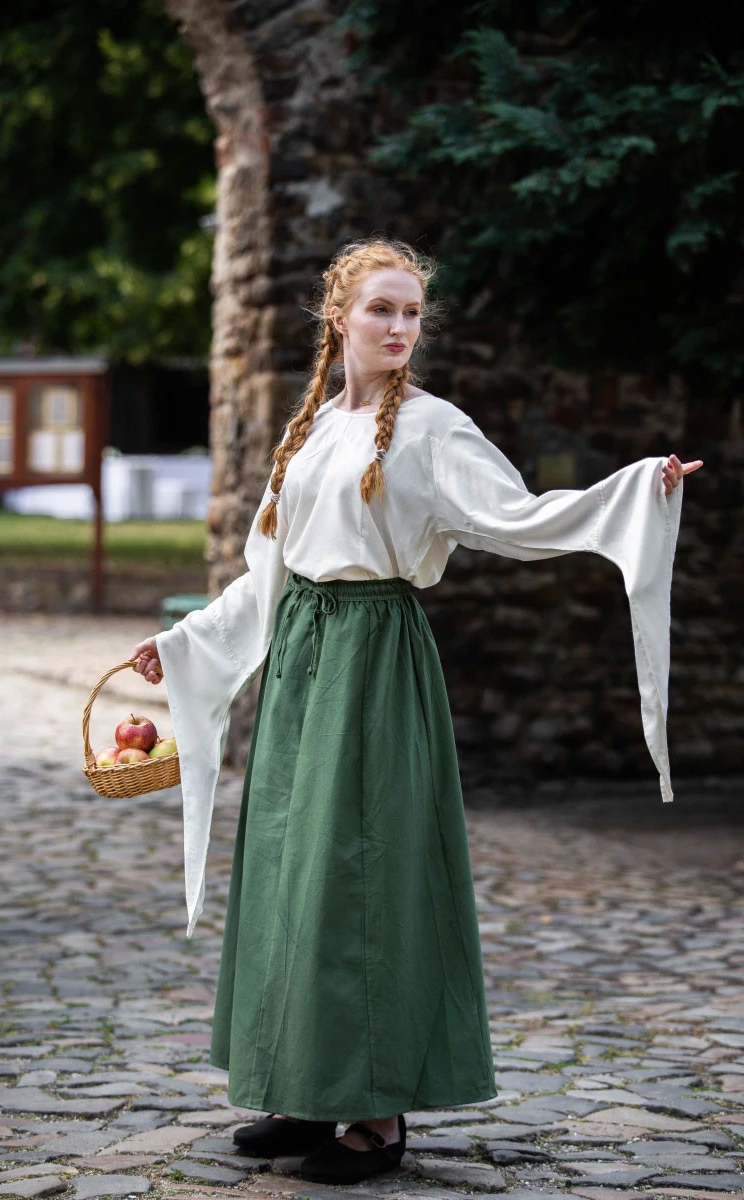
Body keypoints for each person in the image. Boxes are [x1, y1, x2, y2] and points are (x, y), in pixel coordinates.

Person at [129, 236, 701, 1186]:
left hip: (373, 664)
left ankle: (378, 1116)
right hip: (304, 663)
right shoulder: (310, 427)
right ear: (338, 319)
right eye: (382, 310)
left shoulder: (434, 429)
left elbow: (518, 518)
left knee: (365, 875)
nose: (399, 327)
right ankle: (307, 1088)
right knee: (292, 872)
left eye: (411, 313)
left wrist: (636, 489)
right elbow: (266, 574)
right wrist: (184, 645)